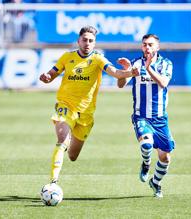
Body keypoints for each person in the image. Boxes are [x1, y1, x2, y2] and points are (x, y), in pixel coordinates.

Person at [39, 26, 137, 186]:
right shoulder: (67, 57)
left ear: (94, 43)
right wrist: (46, 77)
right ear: (78, 41)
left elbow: (115, 73)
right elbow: (51, 74)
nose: (87, 43)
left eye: (91, 41)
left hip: (86, 114)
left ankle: (68, 142)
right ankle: (53, 183)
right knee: (62, 140)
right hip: (66, 106)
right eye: (84, 40)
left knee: (72, 155)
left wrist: (130, 73)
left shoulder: (98, 59)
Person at [117, 34, 175, 198]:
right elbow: (121, 85)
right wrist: (126, 72)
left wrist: (148, 68)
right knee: (147, 144)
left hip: (160, 118)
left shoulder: (166, 64)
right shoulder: (135, 63)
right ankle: (146, 164)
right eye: (144, 45)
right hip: (140, 116)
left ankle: (155, 183)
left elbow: (163, 83)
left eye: (150, 45)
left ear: (157, 47)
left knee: (165, 157)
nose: (147, 48)